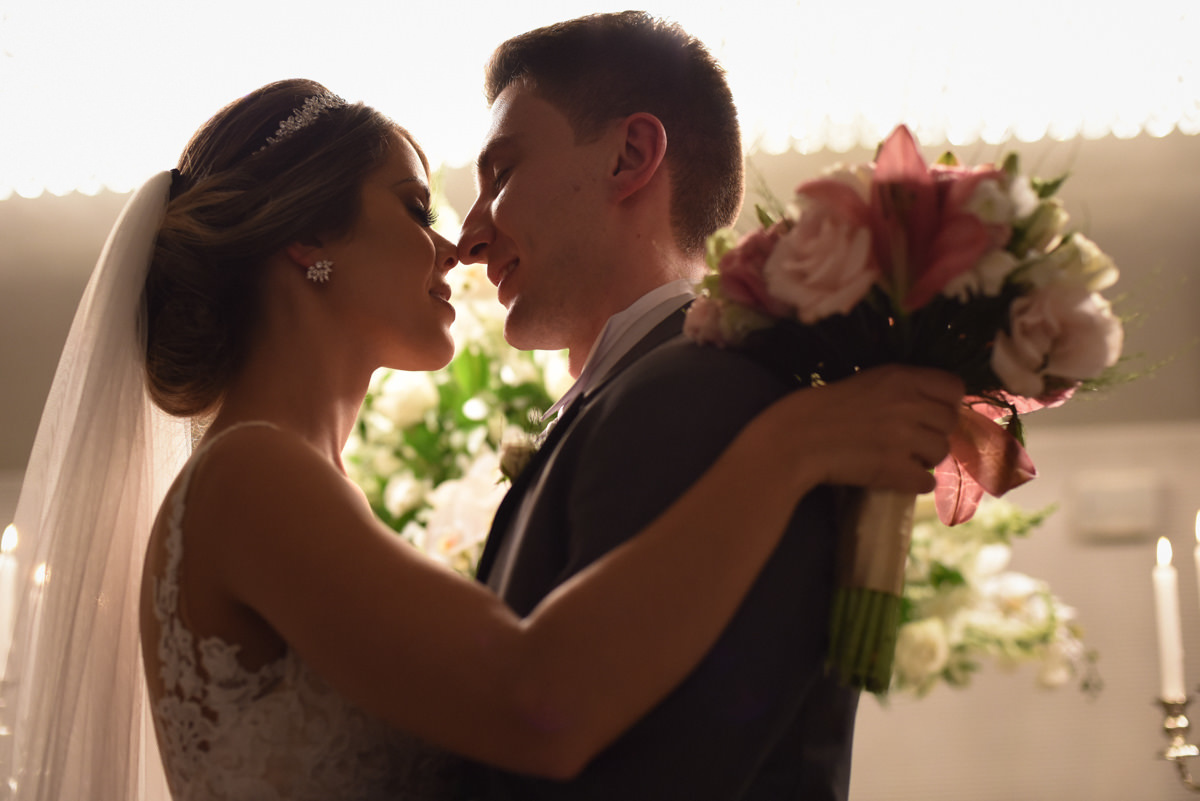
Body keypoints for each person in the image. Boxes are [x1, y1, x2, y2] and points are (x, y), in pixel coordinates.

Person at [2, 78, 961, 801]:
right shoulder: (251, 477)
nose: (455, 245)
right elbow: (538, 702)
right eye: (415, 207)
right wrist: (789, 449)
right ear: (308, 243)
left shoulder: (283, 479)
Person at [454, 12, 958, 800]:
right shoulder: (653, 389)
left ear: (631, 156)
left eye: (502, 174)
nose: (470, 234)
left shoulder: (700, 395)